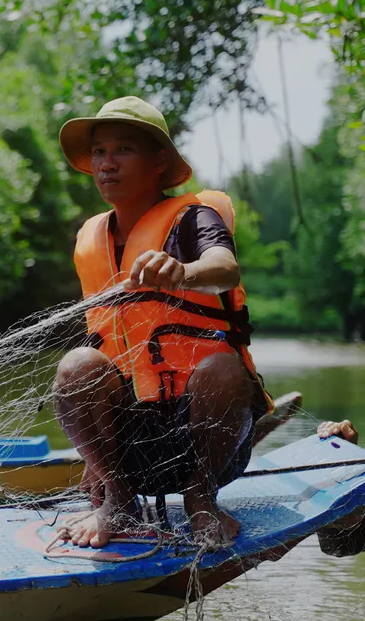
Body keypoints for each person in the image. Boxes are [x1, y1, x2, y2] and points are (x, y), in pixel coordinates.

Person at [51, 96, 273, 548]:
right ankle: (118, 499)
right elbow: (104, 337)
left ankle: (200, 499)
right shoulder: (92, 237)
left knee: (225, 367)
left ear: (158, 163)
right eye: (98, 152)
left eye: (123, 150)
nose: (106, 164)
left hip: (206, 440)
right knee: (76, 364)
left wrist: (184, 273)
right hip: (130, 448)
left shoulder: (193, 218)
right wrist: (97, 460)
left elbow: (223, 267)